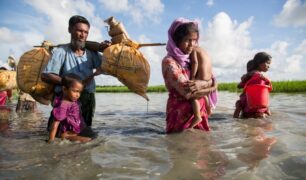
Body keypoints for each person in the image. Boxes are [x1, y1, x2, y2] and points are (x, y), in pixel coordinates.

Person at [41, 15, 110, 129]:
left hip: (87, 98)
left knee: (84, 129)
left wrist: (109, 51)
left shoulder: (91, 53)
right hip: (65, 98)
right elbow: (45, 75)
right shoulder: (61, 51)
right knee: (58, 131)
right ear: (70, 30)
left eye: (86, 32)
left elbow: (107, 69)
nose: (83, 35)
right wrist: (70, 83)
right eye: (79, 31)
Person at [162, 18, 218, 133]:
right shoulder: (169, 62)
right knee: (181, 145)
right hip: (180, 116)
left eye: (194, 40)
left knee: (201, 147)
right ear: (177, 40)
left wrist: (206, 83)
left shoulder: (190, 59)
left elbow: (208, 78)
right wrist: (212, 86)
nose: (191, 45)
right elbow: (189, 92)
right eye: (188, 40)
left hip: (200, 114)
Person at [48, 74, 91, 143]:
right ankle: (65, 136)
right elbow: (56, 123)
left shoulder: (72, 100)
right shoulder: (63, 105)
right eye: (75, 91)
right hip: (69, 133)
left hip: (77, 129)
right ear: (64, 89)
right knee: (88, 141)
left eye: (79, 92)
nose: (78, 95)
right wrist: (51, 140)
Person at [234, 52, 272, 118]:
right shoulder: (258, 75)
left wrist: (244, 78)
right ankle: (266, 115)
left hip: (248, 102)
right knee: (267, 109)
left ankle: (235, 119)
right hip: (258, 102)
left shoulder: (249, 75)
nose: (269, 66)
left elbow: (239, 85)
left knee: (239, 104)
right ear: (259, 63)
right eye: (268, 63)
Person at [189, 45, 214, 128]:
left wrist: (192, 77)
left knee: (193, 96)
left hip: (201, 78)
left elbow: (195, 62)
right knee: (203, 95)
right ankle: (208, 109)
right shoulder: (203, 51)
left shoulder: (193, 49)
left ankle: (197, 116)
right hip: (208, 79)